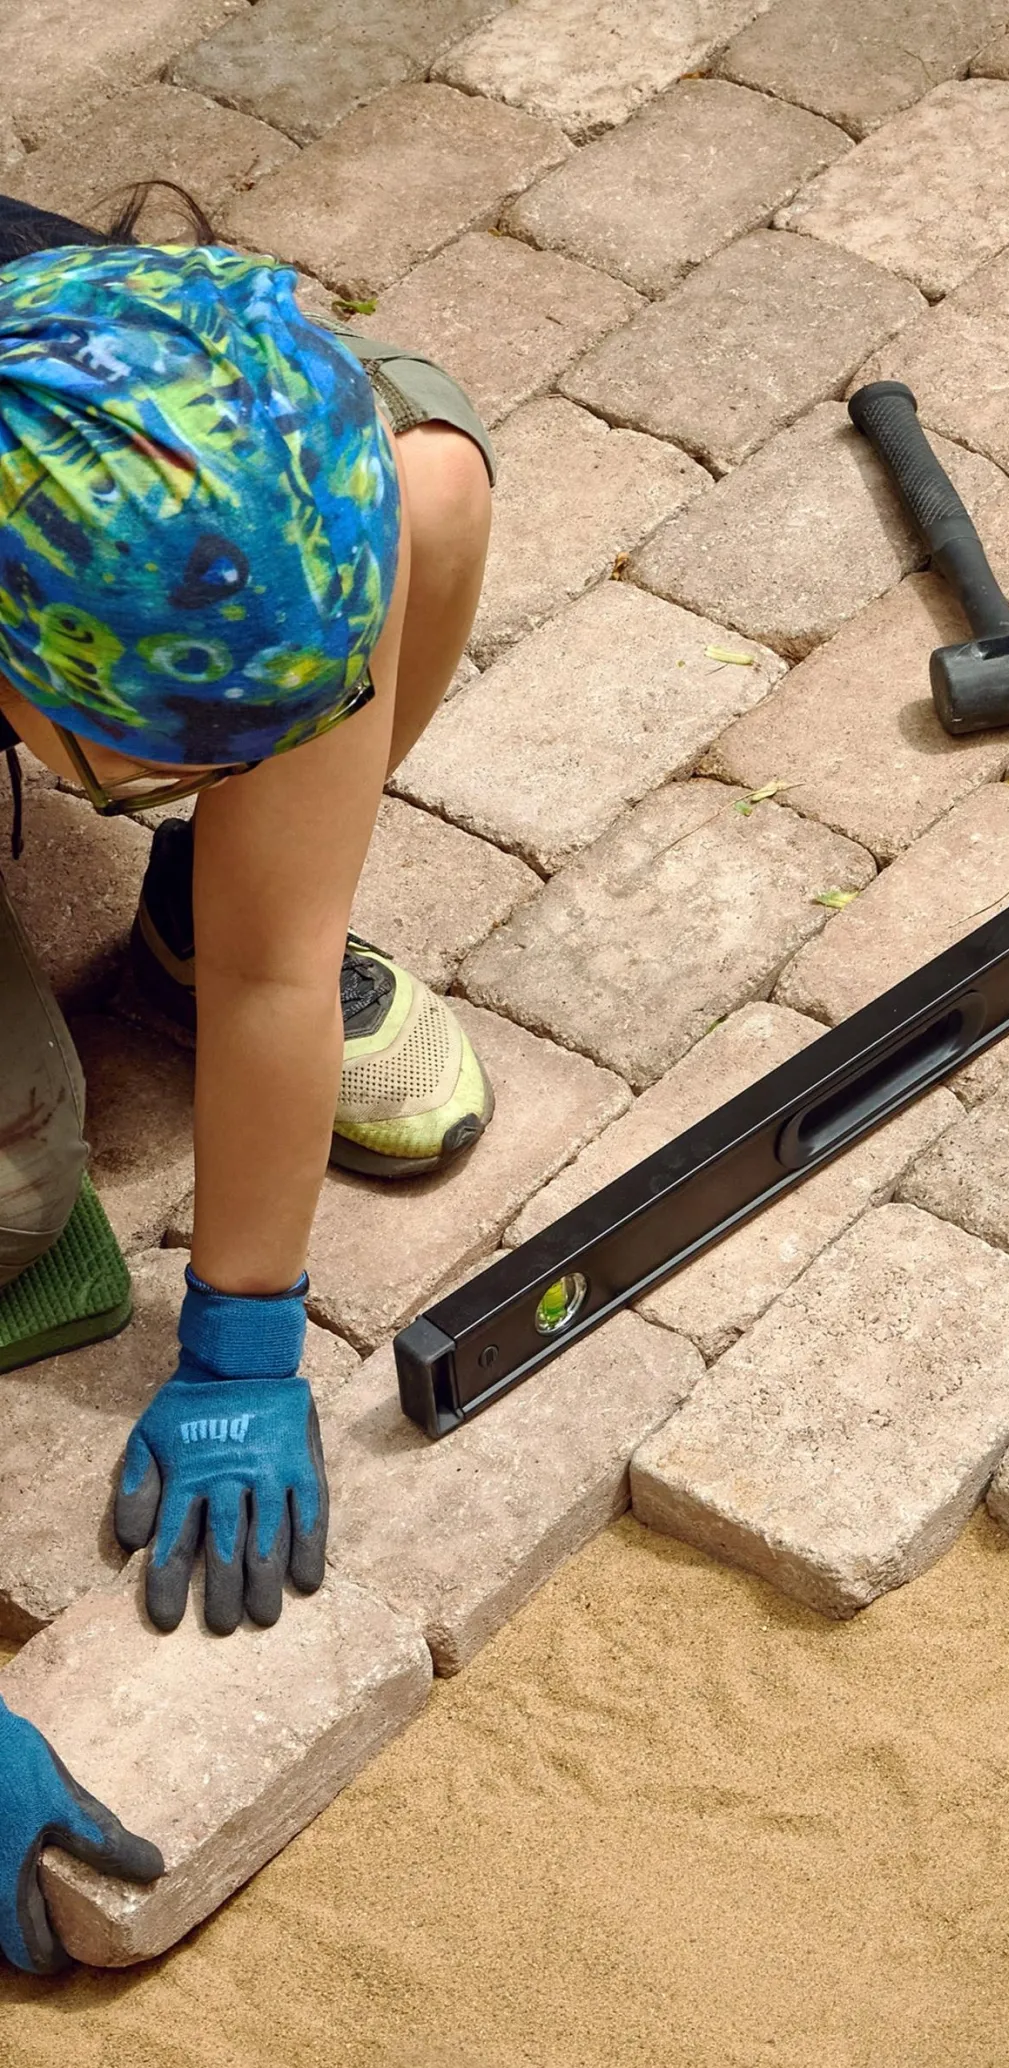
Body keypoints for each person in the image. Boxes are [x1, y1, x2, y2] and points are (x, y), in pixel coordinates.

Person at [0, 186, 498, 1969]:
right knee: (12, 1188)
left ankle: (169, 930)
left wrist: (244, 1343)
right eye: (174, 767)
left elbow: (291, 975)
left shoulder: (256, 488)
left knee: (436, 478)